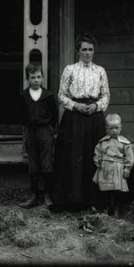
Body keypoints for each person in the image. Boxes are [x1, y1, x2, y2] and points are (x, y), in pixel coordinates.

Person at [53, 33, 110, 210]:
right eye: (84, 49)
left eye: (90, 49)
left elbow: (106, 94)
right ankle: (72, 201)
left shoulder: (100, 71)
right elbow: (61, 95)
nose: (87, 53)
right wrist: (76, 106)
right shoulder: (70, 69)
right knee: (73, 156)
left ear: (94, 52)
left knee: (93, 155)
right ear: (78, 51)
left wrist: (97, 106)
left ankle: (94, 200)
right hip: (74, 117)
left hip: (94, 116)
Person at [18, 64, 58, 209]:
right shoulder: (23, 95)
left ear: (42, 77)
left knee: (46, 162)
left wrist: (50, 131)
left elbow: (54, 116)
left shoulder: (48, 96)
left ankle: (47, 195)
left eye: (38, 77)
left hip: (45, 132)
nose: (36, 80)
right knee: (33, 164)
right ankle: (34, 195)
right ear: (28, 79)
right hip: (30, 132)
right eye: (32, 77)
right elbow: (21, 116)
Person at [93, 114, 134, 217]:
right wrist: (97, 161)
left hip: (118, 168)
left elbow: (129, 157)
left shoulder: (124, 143)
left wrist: (127, 168)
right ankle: (105, 209)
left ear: (121, 128)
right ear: (106, 129)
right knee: (105, 190)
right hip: (105, 169)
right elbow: (97, 152)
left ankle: (118, 210)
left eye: (116, 128)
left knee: (117, 191)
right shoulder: (103, 142)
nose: (114, 131)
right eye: (111, 128)